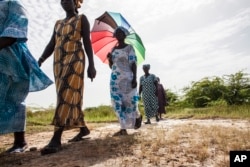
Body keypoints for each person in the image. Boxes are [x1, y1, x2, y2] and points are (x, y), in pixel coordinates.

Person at [38, 0, 96, 155]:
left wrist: (91, 64)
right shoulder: (58, 23)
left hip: (75, 58)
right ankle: (83, 129)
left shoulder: (81, 19)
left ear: (76, 2)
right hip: (58, 61)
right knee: (67, 95)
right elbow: (51, 43)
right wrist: (41, 59)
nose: (64, 2)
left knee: (65, 93)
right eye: (62, 0)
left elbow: (87, 42)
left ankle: (56, 138)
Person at [0, 0, 53, 153]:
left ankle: (20, 142)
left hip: (12, 59)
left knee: (14, 98)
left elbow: (14, 32)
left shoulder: (13, 4)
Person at [108, 26, 142, 136]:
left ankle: (137, 116)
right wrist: (109, 58)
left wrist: (135, 78)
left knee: (130, 102)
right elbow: (111, 66)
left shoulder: (129, 48)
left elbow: (133, 64)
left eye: (120, 32)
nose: (118, 34)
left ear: (124, 35)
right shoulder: (113, 49)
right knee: (117, 103)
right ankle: (123, 129)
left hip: (128, 79)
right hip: (115, 81)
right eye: (116, 33)